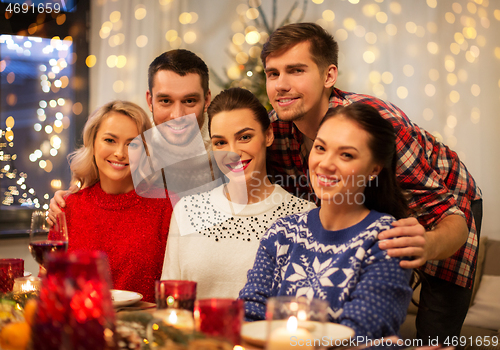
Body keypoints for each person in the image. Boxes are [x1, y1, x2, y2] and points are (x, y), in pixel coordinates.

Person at [261, 22, 482, 343]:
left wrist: (428, 244)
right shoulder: (275, 131)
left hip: (447, 200)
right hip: (364, 210)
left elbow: (451, 220)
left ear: (329, 76)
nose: (281, 85)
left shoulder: (379, 125)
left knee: (436, 333)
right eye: (272, 73)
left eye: (296, 70)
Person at [239, 103, 413, 339]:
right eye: (320, 148)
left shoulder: (386, 239)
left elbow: (356, 336)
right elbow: (249, 315)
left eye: (346, 155)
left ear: (374, 169)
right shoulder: (282, 233)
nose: (326, 164)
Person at [161, 88, 316, 299]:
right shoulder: (187, 211)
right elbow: (171, 303)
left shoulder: (304, 216)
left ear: (268, 135)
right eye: (220, 143)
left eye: (244, 137)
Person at [53, 101, 174, 302]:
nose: (120, 153)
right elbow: (49, 280)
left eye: (132, 144)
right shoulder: (68, 208)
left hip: (144, 328)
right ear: (92, 143)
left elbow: (175, 284)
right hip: (79, 327)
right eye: (110, 140)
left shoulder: (164, 206)